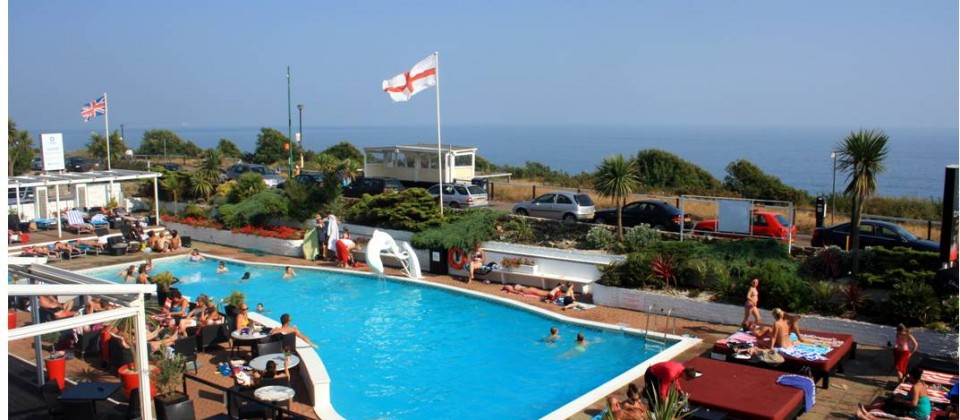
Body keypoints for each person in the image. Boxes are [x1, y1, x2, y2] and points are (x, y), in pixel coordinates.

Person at [857, 367, 931, 420]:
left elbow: (914, 404)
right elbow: (916, 397)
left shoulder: (916, 387)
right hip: (925, 410)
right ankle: (868, 409)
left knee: (890, 405)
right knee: (892, 400)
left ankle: (868, 414)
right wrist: (902, 396)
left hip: (918, 412)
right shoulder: (922, 383)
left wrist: (901, 401)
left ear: (911, 376)